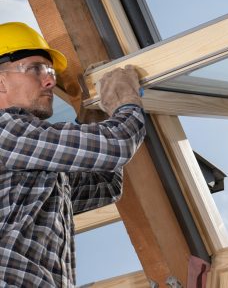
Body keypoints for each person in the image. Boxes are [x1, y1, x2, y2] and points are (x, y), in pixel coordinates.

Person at [0, 22, 146, 287]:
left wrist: (95, 116)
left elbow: (106, 185)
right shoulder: (5, 131)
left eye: (51, 71)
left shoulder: (33, 167)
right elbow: (117, 146)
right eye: (35, 69)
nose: (50, 81)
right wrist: (126, 101)